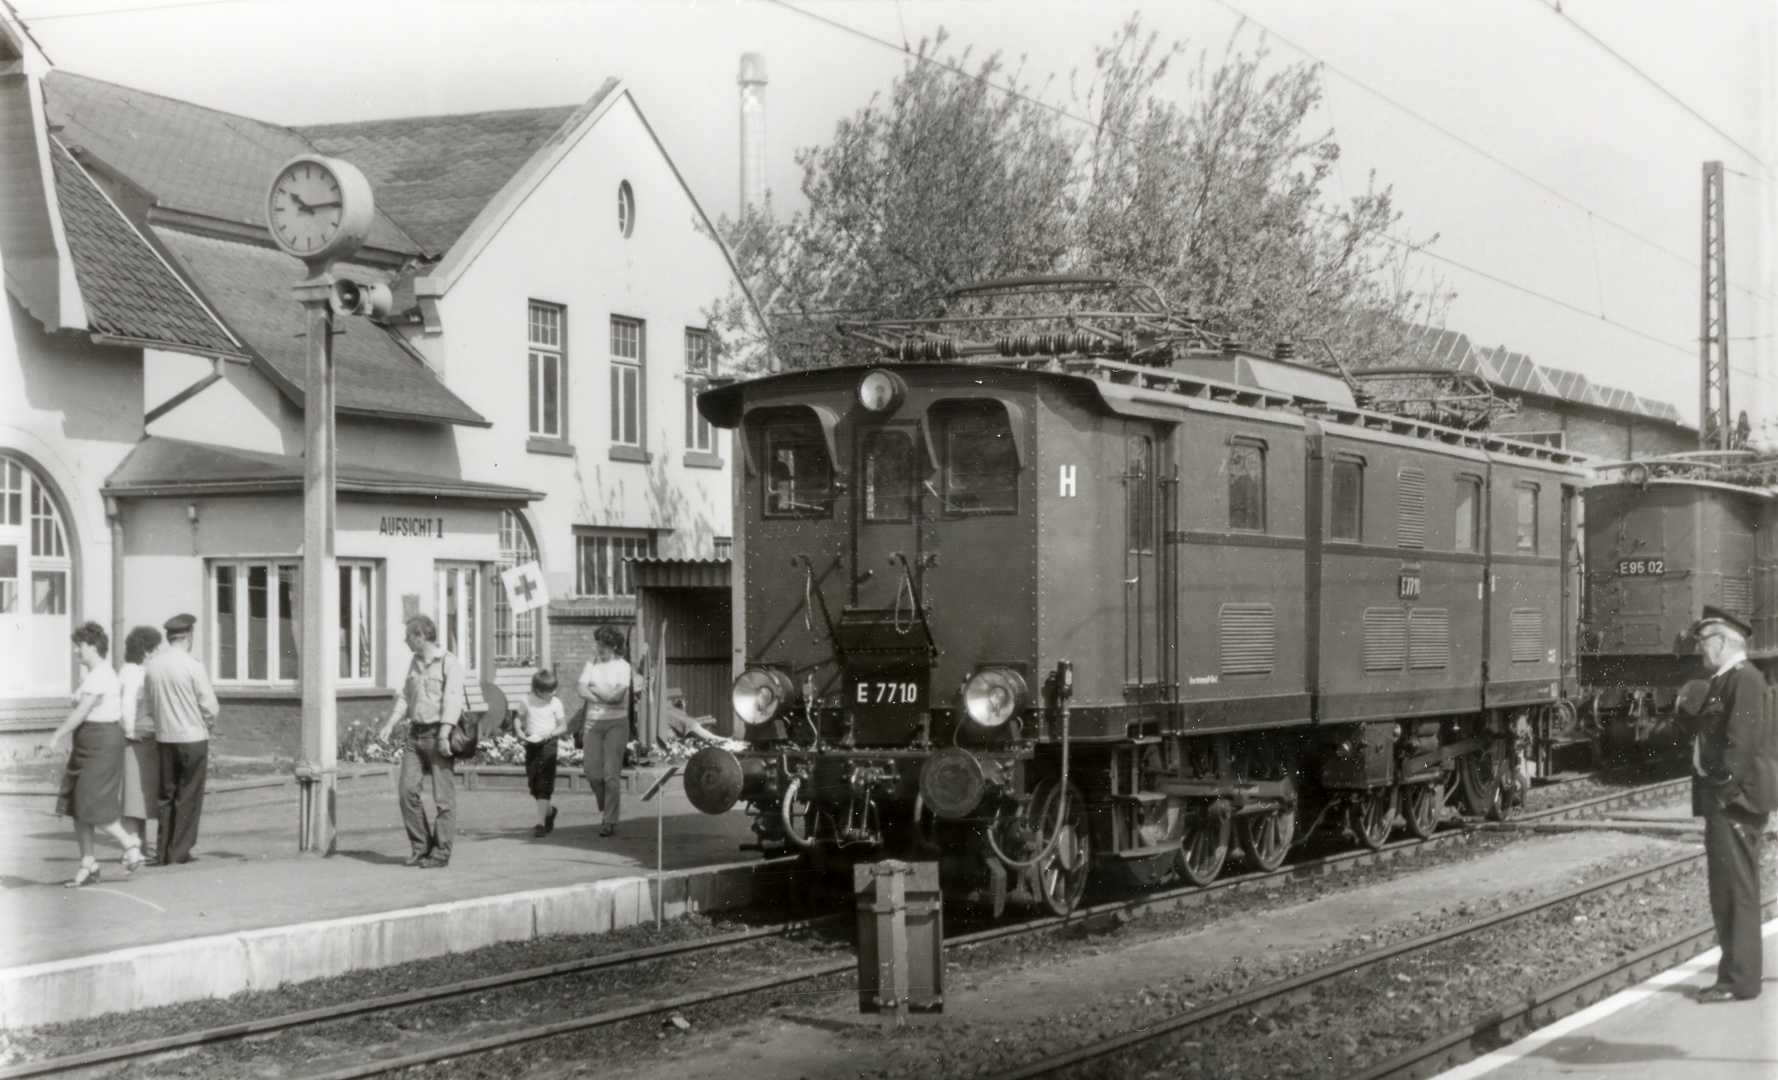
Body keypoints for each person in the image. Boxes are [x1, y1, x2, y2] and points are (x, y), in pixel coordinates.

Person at [1686, 606, 1778, 1003]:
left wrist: (1721, 794)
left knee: (1735, 891)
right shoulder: (1728, 680)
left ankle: (1739, 980)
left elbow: (1741, 745)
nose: (1701, 650)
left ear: (1723, 641)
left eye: (1704, 642)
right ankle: (1734, 975)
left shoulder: (1745, 680)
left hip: (1735, 803)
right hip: (1727, 802)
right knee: (1726, 890)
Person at [50, 622, 145, 886]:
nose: (75, 652)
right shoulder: (91, 675)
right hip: (87, 744)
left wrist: (57, 734)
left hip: (102, 745)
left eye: (79, 646)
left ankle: (130, 844)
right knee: (78, 807)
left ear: (92, 646)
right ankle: (88, 863)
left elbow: (82, 711)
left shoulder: (101, 675)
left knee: (92, 804)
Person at [378, 615, 466, 868]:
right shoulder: (414, 662)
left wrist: (443, 735)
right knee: (406, 792)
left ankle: (440, 853)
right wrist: (390, 724)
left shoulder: (449, 663)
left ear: (420, 636)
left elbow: (452, 701)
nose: (405, 640)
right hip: (416, 736)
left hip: (440, 734)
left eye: (408, 635)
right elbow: (406, 696)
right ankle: (421, 847)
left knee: (443, 799)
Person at [144, 613, 220, 865]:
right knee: (188, 794)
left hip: (165, 737)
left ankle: (163, 850)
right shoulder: (192, 665)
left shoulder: (153, 665)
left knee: (166, 794)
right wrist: (205, 725)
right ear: (189, 636)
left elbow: (148, 705)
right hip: (192, 738)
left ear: (169, 637)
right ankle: (180, 851)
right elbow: (209, 706)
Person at [579, 625, 640, 837]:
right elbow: (580, 689)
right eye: (598, 644)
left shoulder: (623, 667)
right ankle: (606, 807)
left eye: (604, 645)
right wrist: (605, 696)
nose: (599, 649)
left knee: (610, 774)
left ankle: (609, 820)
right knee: (592, 772)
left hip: (616, 723)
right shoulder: (591, 664)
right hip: (592, 724)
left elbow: (618, 697)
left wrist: (592, 689)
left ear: (614, 646)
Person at [117, 625, 164, 850]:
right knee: (134, 795)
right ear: (146, 652)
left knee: (138, 795)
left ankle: (140, 844)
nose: (157, 655)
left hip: (140, 740)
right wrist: (130, 732)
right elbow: (127, 705)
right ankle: (134, 846)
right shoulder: (134, 673)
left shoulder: (133, 671)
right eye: (155, 650)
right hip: (136, 742)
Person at [514, 668, 567, 837]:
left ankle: (540, 823)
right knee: (533, 784)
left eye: (554, 689)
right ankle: (549, 812)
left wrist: (550, 734)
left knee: (544, 783)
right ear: (538, 690)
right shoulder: (527, 700)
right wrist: (520, 732)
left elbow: (562, 726)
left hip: (549, 743)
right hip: (532, 743)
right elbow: (517, 719)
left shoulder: (555, 703)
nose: (554, 693)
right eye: (549, 691)